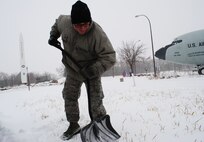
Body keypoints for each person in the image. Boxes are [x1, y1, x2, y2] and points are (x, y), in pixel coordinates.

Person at [48, 0, 116, 140]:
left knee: (96, 100)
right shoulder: (65, 22)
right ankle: (73, 125)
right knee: (69, 96)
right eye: (78, 25)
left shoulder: (97, 33)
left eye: (85, 24)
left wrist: (93, 70)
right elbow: (57, 23)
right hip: (73, 70)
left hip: (92, 70)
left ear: (90, 21)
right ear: (72, 23)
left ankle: (100, 124)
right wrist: (53, 35)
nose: (82, 28)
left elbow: (109, 57)